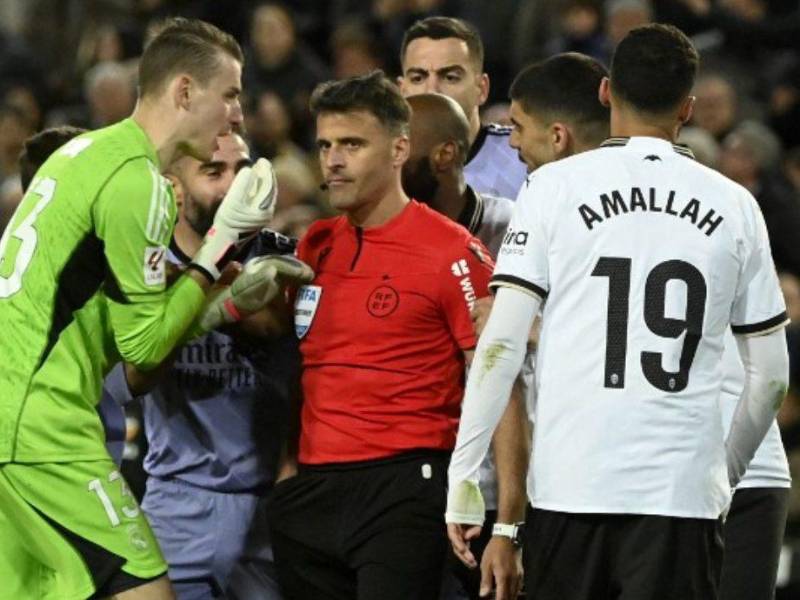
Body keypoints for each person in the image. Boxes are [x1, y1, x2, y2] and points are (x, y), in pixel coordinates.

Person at [447, 24, 790, 600]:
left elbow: (500, 343)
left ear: (606, 93)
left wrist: (464, 471)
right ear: (687, 107)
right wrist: (722, 475)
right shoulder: (735, 205)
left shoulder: (553, 187)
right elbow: (772, 377)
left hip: (570, 485)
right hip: (680, 495)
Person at [0, 18, 282, 599]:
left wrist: (214, 308)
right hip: (40, 428)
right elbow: (144, 352)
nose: (236, 114)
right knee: (148, 592)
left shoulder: (83, 151)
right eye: (229, 94)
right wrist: (219, 242)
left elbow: (104, 321)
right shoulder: (140, 183)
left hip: (15, 415)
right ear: (184, 92)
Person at [268, 70, 494, 600]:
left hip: (405, 484)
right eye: (324, 145)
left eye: (351, 144)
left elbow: (495, 377)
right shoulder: (315, 247)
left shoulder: (452, 251)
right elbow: (299, 360)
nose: (333, 160)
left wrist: (503, 515)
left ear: (398, 149)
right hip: (313, 487)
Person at [104, 132, 306, 600]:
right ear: (173, 187)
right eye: (214, 173)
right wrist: (208, 303)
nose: (236, 188)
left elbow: (288, 348)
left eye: (244, 170)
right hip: (177, 500)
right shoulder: (144, 269)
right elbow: (129, 380)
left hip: (269, 502)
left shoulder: (287, 256)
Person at [402, 92, 526, 600]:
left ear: (445, 155)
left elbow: (512, 374)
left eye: (400, 145)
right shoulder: (373, 232)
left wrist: (510, 524)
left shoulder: (518, 229)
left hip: (502, 489)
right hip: (413, 481)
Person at [398, 16, 528, 199]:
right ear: (401, 91)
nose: (432, 90)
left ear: (481, 89)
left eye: (450, 77)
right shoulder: (385, 167)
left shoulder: (524, 158)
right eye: (418, 78)